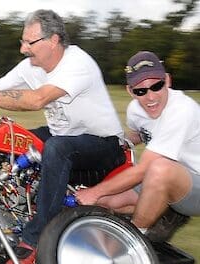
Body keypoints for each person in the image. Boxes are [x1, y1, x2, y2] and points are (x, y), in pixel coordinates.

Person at [0, 9, 125, 264]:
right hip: (64, 135)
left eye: (30, 42)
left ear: (53, 40)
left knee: (57, 149)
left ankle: (35, 240)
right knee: (7, 140)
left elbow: (36, 100)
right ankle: (0, 217)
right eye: (22, 41)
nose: (22, 49)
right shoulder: (31, 66)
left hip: (104, 144)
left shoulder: (77, 63)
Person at [75, 51, 200, 239]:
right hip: (161, 177)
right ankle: (162, 212)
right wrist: (113, 142)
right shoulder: (135, 110)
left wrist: (94, 191)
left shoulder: (182, 110)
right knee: (106, 201)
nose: (150, 97)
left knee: (158, 168)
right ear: (130, 91)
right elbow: (140, 134)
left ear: (167, 80)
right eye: (140, 91)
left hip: (194, 184)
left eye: (156, 86)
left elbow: (143, 170)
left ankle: (133, 241)